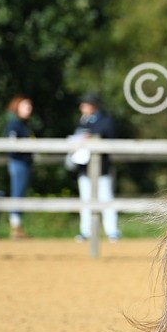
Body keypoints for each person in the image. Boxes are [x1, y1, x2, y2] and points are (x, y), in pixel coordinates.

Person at [71, 92, 121, 242]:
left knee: (106, 199)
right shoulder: (82, 122)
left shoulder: (106, 121)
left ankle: (112, 231)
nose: (82, 107)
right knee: (85, 200)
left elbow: (111, 140)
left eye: (86, 104)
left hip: (101, 168)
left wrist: (92, 137)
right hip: (84, 168)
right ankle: (86, 231)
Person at [4, 96, 35, 239]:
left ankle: (18, 226)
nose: (29, 109)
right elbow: (12, 145)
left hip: (24, 163)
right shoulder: (14, 124)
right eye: (26, 106)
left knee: (20, 193)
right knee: (17, 193)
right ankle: (15, 226)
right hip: (18, 163)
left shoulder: (23, 125)